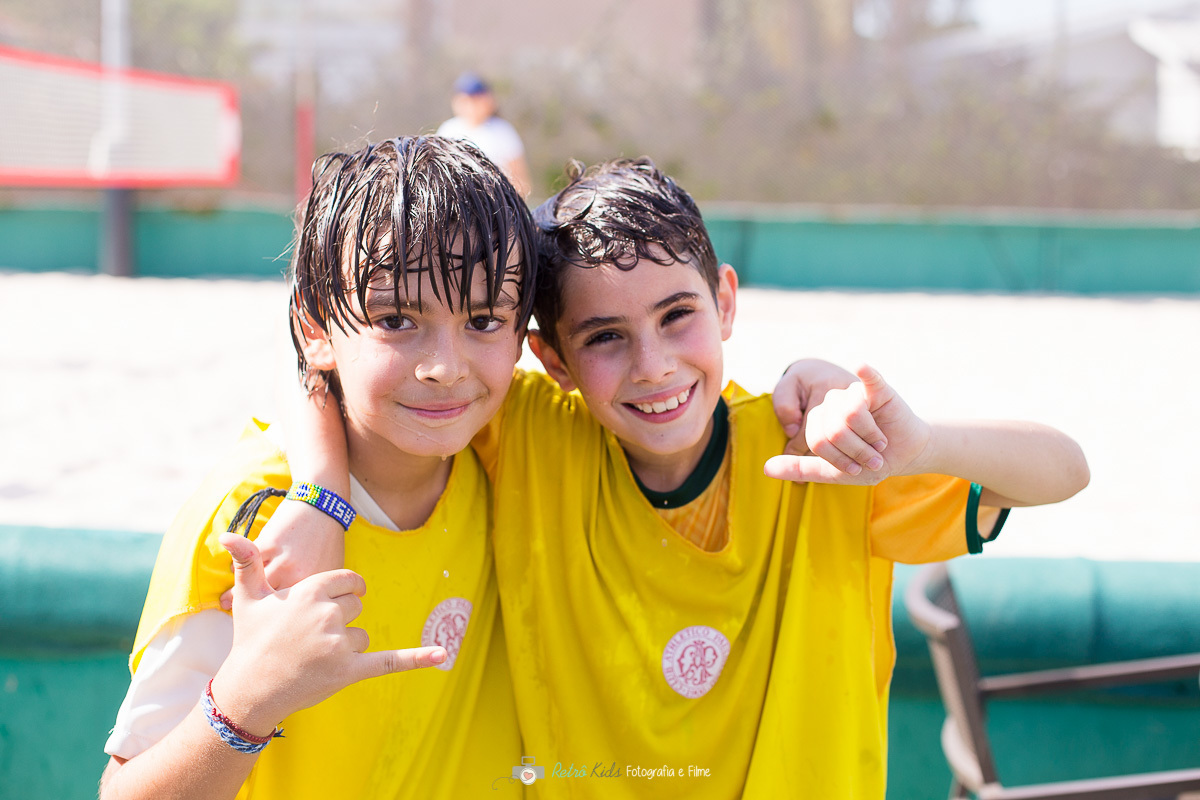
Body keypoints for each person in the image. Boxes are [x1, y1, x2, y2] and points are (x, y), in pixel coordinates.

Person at [268, 158, 1088, 796]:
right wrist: (320, 494)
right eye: (605, 337)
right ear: (548, 358)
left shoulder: (821, 455)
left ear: (725, 300)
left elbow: (1064, 469)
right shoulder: (528, 432)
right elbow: (332, 375)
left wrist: (924, 446)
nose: (654, 367)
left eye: (677, 316)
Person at [98, 135, 539, 800]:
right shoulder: (256, 517)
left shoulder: (506, 445)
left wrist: (324, 490)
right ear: (316, 326)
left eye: (483, 320)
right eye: (397, 319)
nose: (445, 366)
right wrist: (248, 699)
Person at [437, 71, 532, 197]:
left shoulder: (503, 131)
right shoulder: (447, 131)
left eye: (476, 99)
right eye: (466, 100)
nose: (471, 105)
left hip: (496, 205)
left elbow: (521, 181)